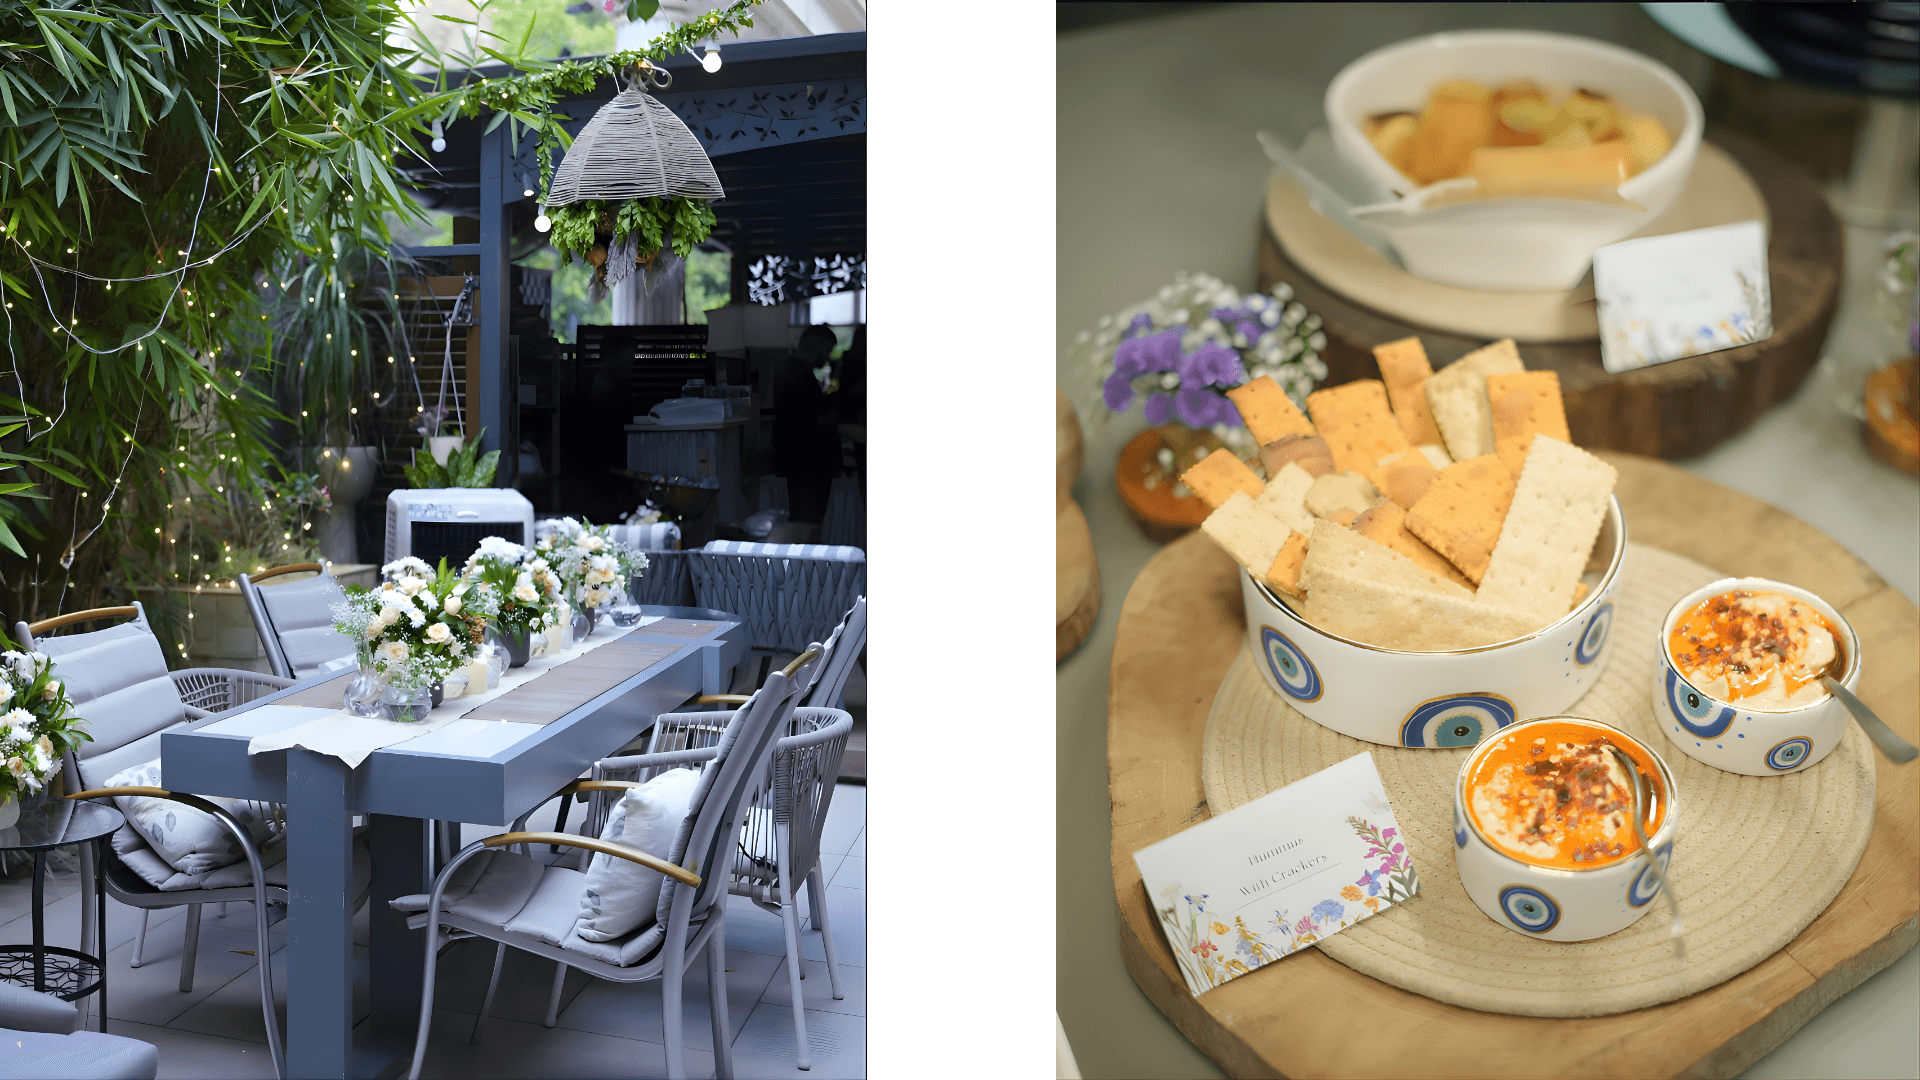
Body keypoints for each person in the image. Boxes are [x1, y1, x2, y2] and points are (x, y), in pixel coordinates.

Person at [771, 326, 842, 523]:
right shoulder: (799, 375)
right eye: (827, 350)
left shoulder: (791, 371)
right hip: (806, 469)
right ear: (816, 347)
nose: (828, 358)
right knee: (806, 526)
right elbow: (816, 418)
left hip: (799, 467)